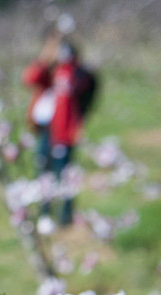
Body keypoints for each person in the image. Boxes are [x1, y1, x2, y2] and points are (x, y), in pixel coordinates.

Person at [23, 31, 96, 226]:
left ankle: (65, 217)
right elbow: (30, 79)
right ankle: (44, 213)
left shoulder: (73, 72)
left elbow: (83, 88)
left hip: (64, 130)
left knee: (64, 172)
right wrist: (45, 58)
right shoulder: (49, 71)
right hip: (45, 129)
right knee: (43, 169)